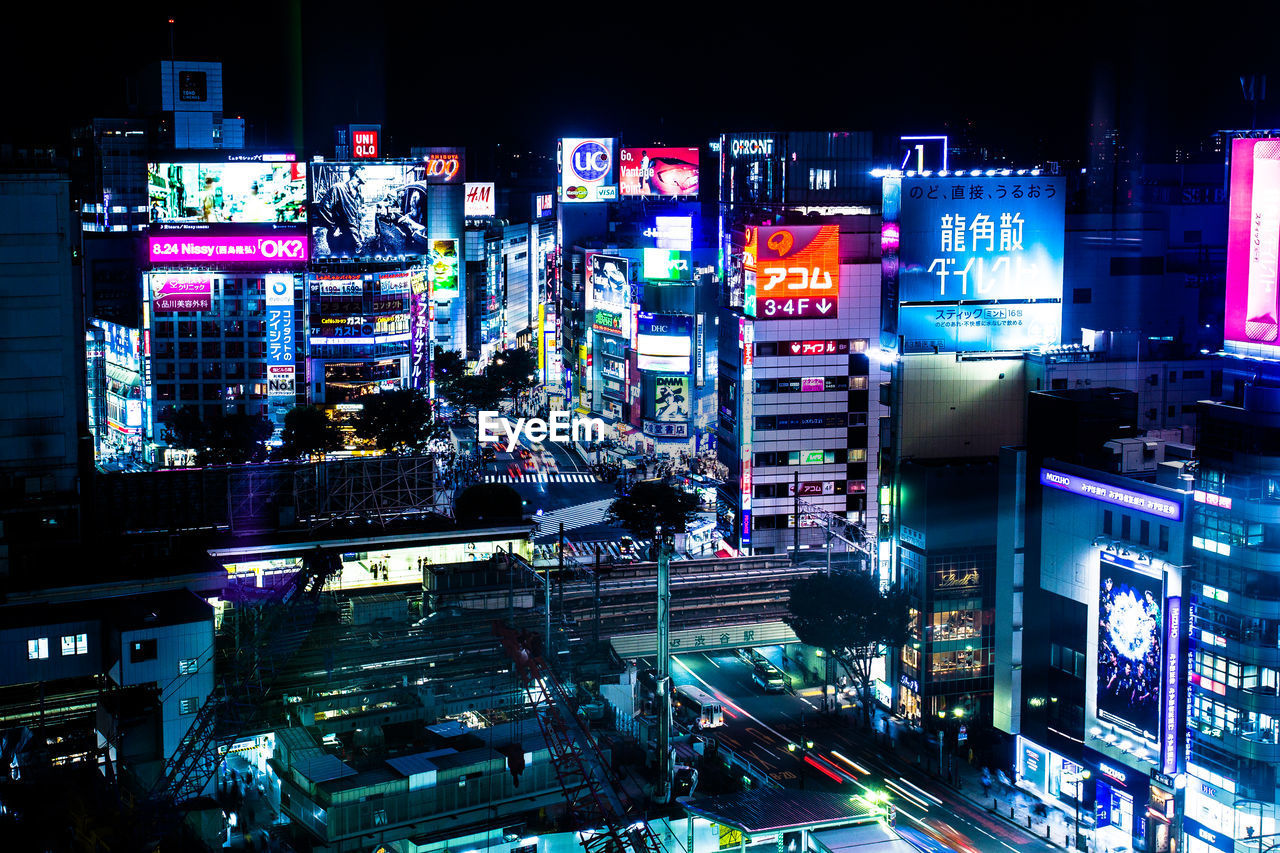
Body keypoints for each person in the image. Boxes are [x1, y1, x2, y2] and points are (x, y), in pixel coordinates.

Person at [315, 167, 367, 256]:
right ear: (357, 173)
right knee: (339, 265)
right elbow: (322, 208)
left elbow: (355, 217)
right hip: (339, 238)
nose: (366, 177)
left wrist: (359, 232)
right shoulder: (338, 188)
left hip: (353, 239)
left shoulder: (358, 195)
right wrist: (334, 227)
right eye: (365, 174)